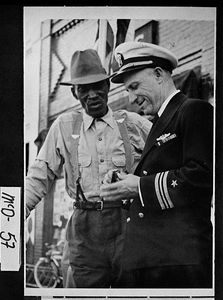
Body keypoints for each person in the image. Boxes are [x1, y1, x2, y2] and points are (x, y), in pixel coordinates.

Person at [26, 49, 152, 288]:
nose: (92, 95)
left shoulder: (133, 123)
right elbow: (39, 175)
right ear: (75, 93)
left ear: (107, 86)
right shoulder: (63, 127)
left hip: (128, 223)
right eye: (84, 89)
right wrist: (13, 213)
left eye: (97, 86)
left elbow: (167, 157)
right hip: (85, 230)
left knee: (132, 290)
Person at [100, 42, 213, 288]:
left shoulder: (195, 110)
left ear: (159, 74)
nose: (131, 98)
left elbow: (202, 176)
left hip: (177, 262)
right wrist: (124, 183)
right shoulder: (161, 121)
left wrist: (138, 186)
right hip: (151, 260)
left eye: (134, 86)